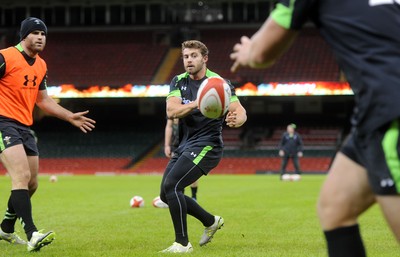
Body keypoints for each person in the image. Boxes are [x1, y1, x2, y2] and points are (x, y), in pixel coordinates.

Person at [230, 1, 400, 256]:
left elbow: (262, 53)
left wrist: (248, 53)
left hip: (390, 113)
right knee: (335, 207)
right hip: (375, 115)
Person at [0, 17, 96, 252]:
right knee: (20, 176)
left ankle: (5, 228)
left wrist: (69, 116)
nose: (41, 37)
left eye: (43, 34)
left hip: (24, 125)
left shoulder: (41, 65)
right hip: (3, 122)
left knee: (31, 183)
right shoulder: (5, 57)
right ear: (24, 36)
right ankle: (32, 234)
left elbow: (43, 100)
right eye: (35, 33)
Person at [159, 40, 247, 253]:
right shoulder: (178, 81)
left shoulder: (218, 83)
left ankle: (182, 243)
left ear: (205, 58)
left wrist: (239, 119)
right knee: (165, 194)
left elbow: (239, 110)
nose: (189, 60)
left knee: (172, 186)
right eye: (186, 56)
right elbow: (172, 111)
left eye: (194, 56)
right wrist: (198, 102)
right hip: (183, 144)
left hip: (208, 145)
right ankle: (210, 221)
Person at [164, 118, 199, 201]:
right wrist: (167, 145)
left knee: (192, 172)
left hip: (191, 144)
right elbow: (169, 126)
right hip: (177, 145)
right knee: (175, 173)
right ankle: (180, 197)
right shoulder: (172, 109)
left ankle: (194, 197)